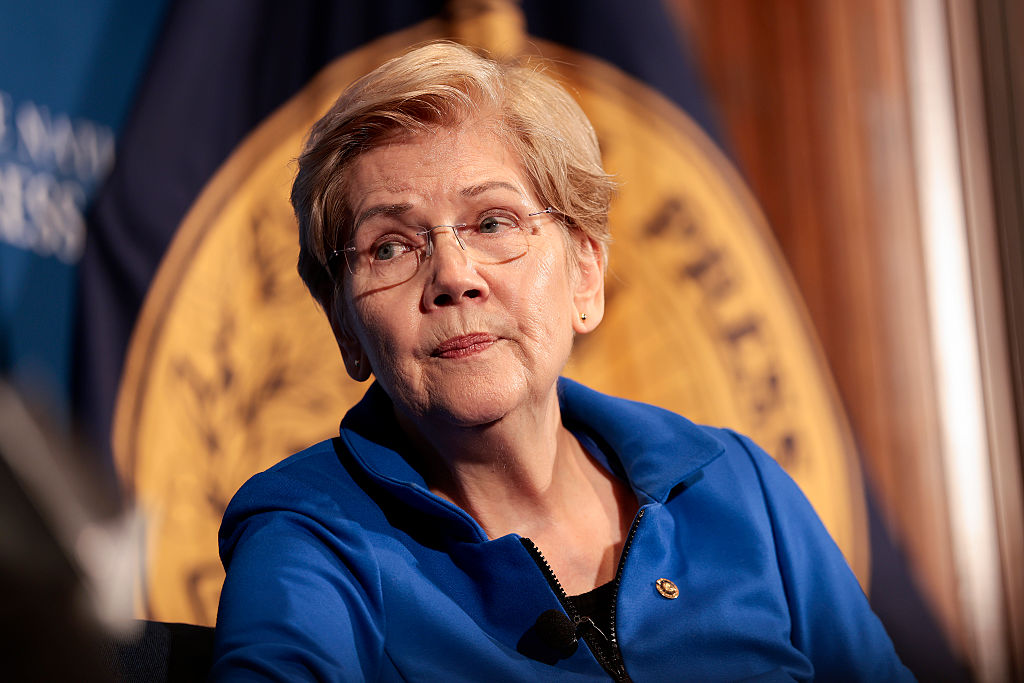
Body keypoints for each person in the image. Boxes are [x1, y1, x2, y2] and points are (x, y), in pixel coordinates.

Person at [210, 41, 913, 682]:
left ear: (585, 273)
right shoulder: (308, 535)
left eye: (494, 222)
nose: (453, 275)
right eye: (390, 247)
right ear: (345, 324)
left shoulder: (738, 487)